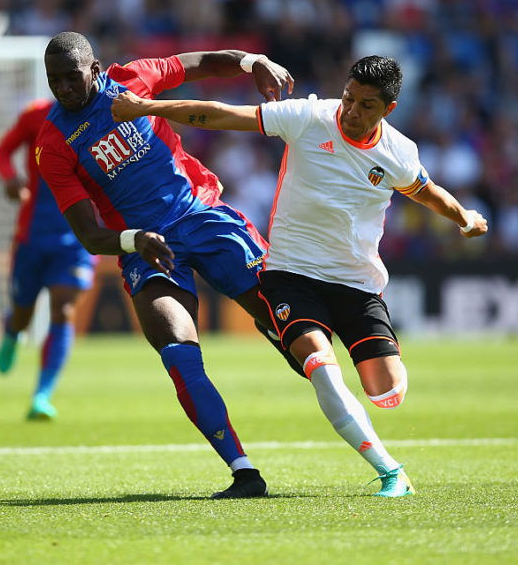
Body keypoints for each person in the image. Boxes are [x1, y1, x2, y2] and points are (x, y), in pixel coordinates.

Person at [112, 54, 489, 497]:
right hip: (291, 274)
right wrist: (147, 108)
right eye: (349, 97)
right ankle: (390, 472)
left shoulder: (399, 153)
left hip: (356, 282)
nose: (351, 110)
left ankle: (379, 381)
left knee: (385, 391)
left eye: (366, 106)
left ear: (388, 110)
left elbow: (426, 192)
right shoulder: (308, 117)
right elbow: (219, 115)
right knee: (320, 367)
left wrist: (464, 219)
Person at [35, 31, 295, 499]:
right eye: (55, 81)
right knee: (177, 348)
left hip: (203, 214)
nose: (64, 90)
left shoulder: (131, 78)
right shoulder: (52, 143)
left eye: (72, 78)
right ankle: (244, 472)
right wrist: (135, 240)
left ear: (95, 70)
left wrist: (253, 60)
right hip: (147, 249)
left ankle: (281, 330)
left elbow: (201, 62)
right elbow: (91, 237)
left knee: (292, 322)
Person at [0, 98, 97, 420]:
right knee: (24, 314)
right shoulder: (35, 115)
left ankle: (42, 395)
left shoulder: (107, 116)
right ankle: (13, 330)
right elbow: (1, 152)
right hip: (33, 236)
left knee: (63, 310)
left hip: (77, 236)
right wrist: (10, 178)